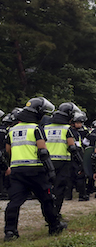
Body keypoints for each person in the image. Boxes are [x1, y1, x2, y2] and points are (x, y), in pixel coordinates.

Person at [4, 97, 67, 241]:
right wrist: (51, 172)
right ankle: (54, 226)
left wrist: (7, 169)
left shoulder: (12, 130)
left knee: (14, 202)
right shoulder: (36, 129)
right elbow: (43, 152)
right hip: (36, 171)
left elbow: (6, 153)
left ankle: (10, 231)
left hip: (17, 171)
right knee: (47, 199)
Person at [44, 102, 83, 221]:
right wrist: (81, 164)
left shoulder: (45, 128)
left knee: (47, 190)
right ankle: (55, 215)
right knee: (59, 189)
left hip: (47, 162)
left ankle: (48, 213)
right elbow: (72, 148)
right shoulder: (67, 129)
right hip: (63, 163)